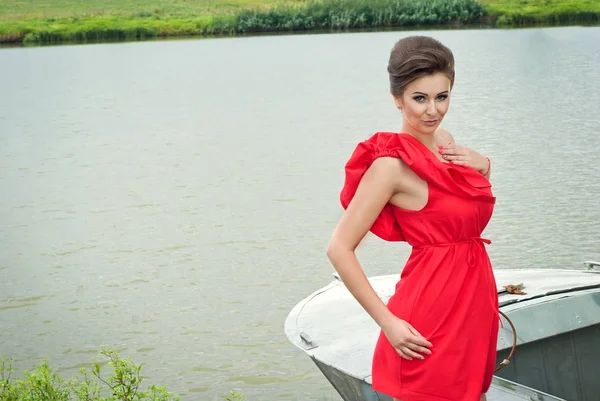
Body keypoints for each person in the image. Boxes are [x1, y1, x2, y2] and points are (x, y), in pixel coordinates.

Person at [326, 35, 498, 401]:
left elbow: (463, 212)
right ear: (397, 98)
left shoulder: (446, 142)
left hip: (474, 302)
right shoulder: (389, 167)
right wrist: (388, 323)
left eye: (442, 96)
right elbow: (339, 248)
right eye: (419, 98)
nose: (432, 111)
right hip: (428, 315)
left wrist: (484, 166)